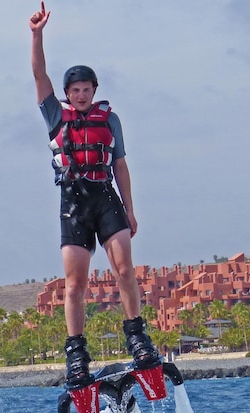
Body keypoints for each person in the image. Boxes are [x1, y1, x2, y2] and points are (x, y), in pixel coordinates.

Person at [29, 2, 159, 390]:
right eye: (76, 90)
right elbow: (38, 73)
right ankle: (76, 356)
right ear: (67, 94)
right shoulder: (55, 115)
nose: (82, 95)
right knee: (75, 285)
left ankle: (137, 338)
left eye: (87, 90)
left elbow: (120, 165)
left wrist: (130, 210)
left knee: (124, 269)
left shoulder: (111, 121)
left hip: (106, 199)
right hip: (73, 204)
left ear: (94, 92)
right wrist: (36, 35)